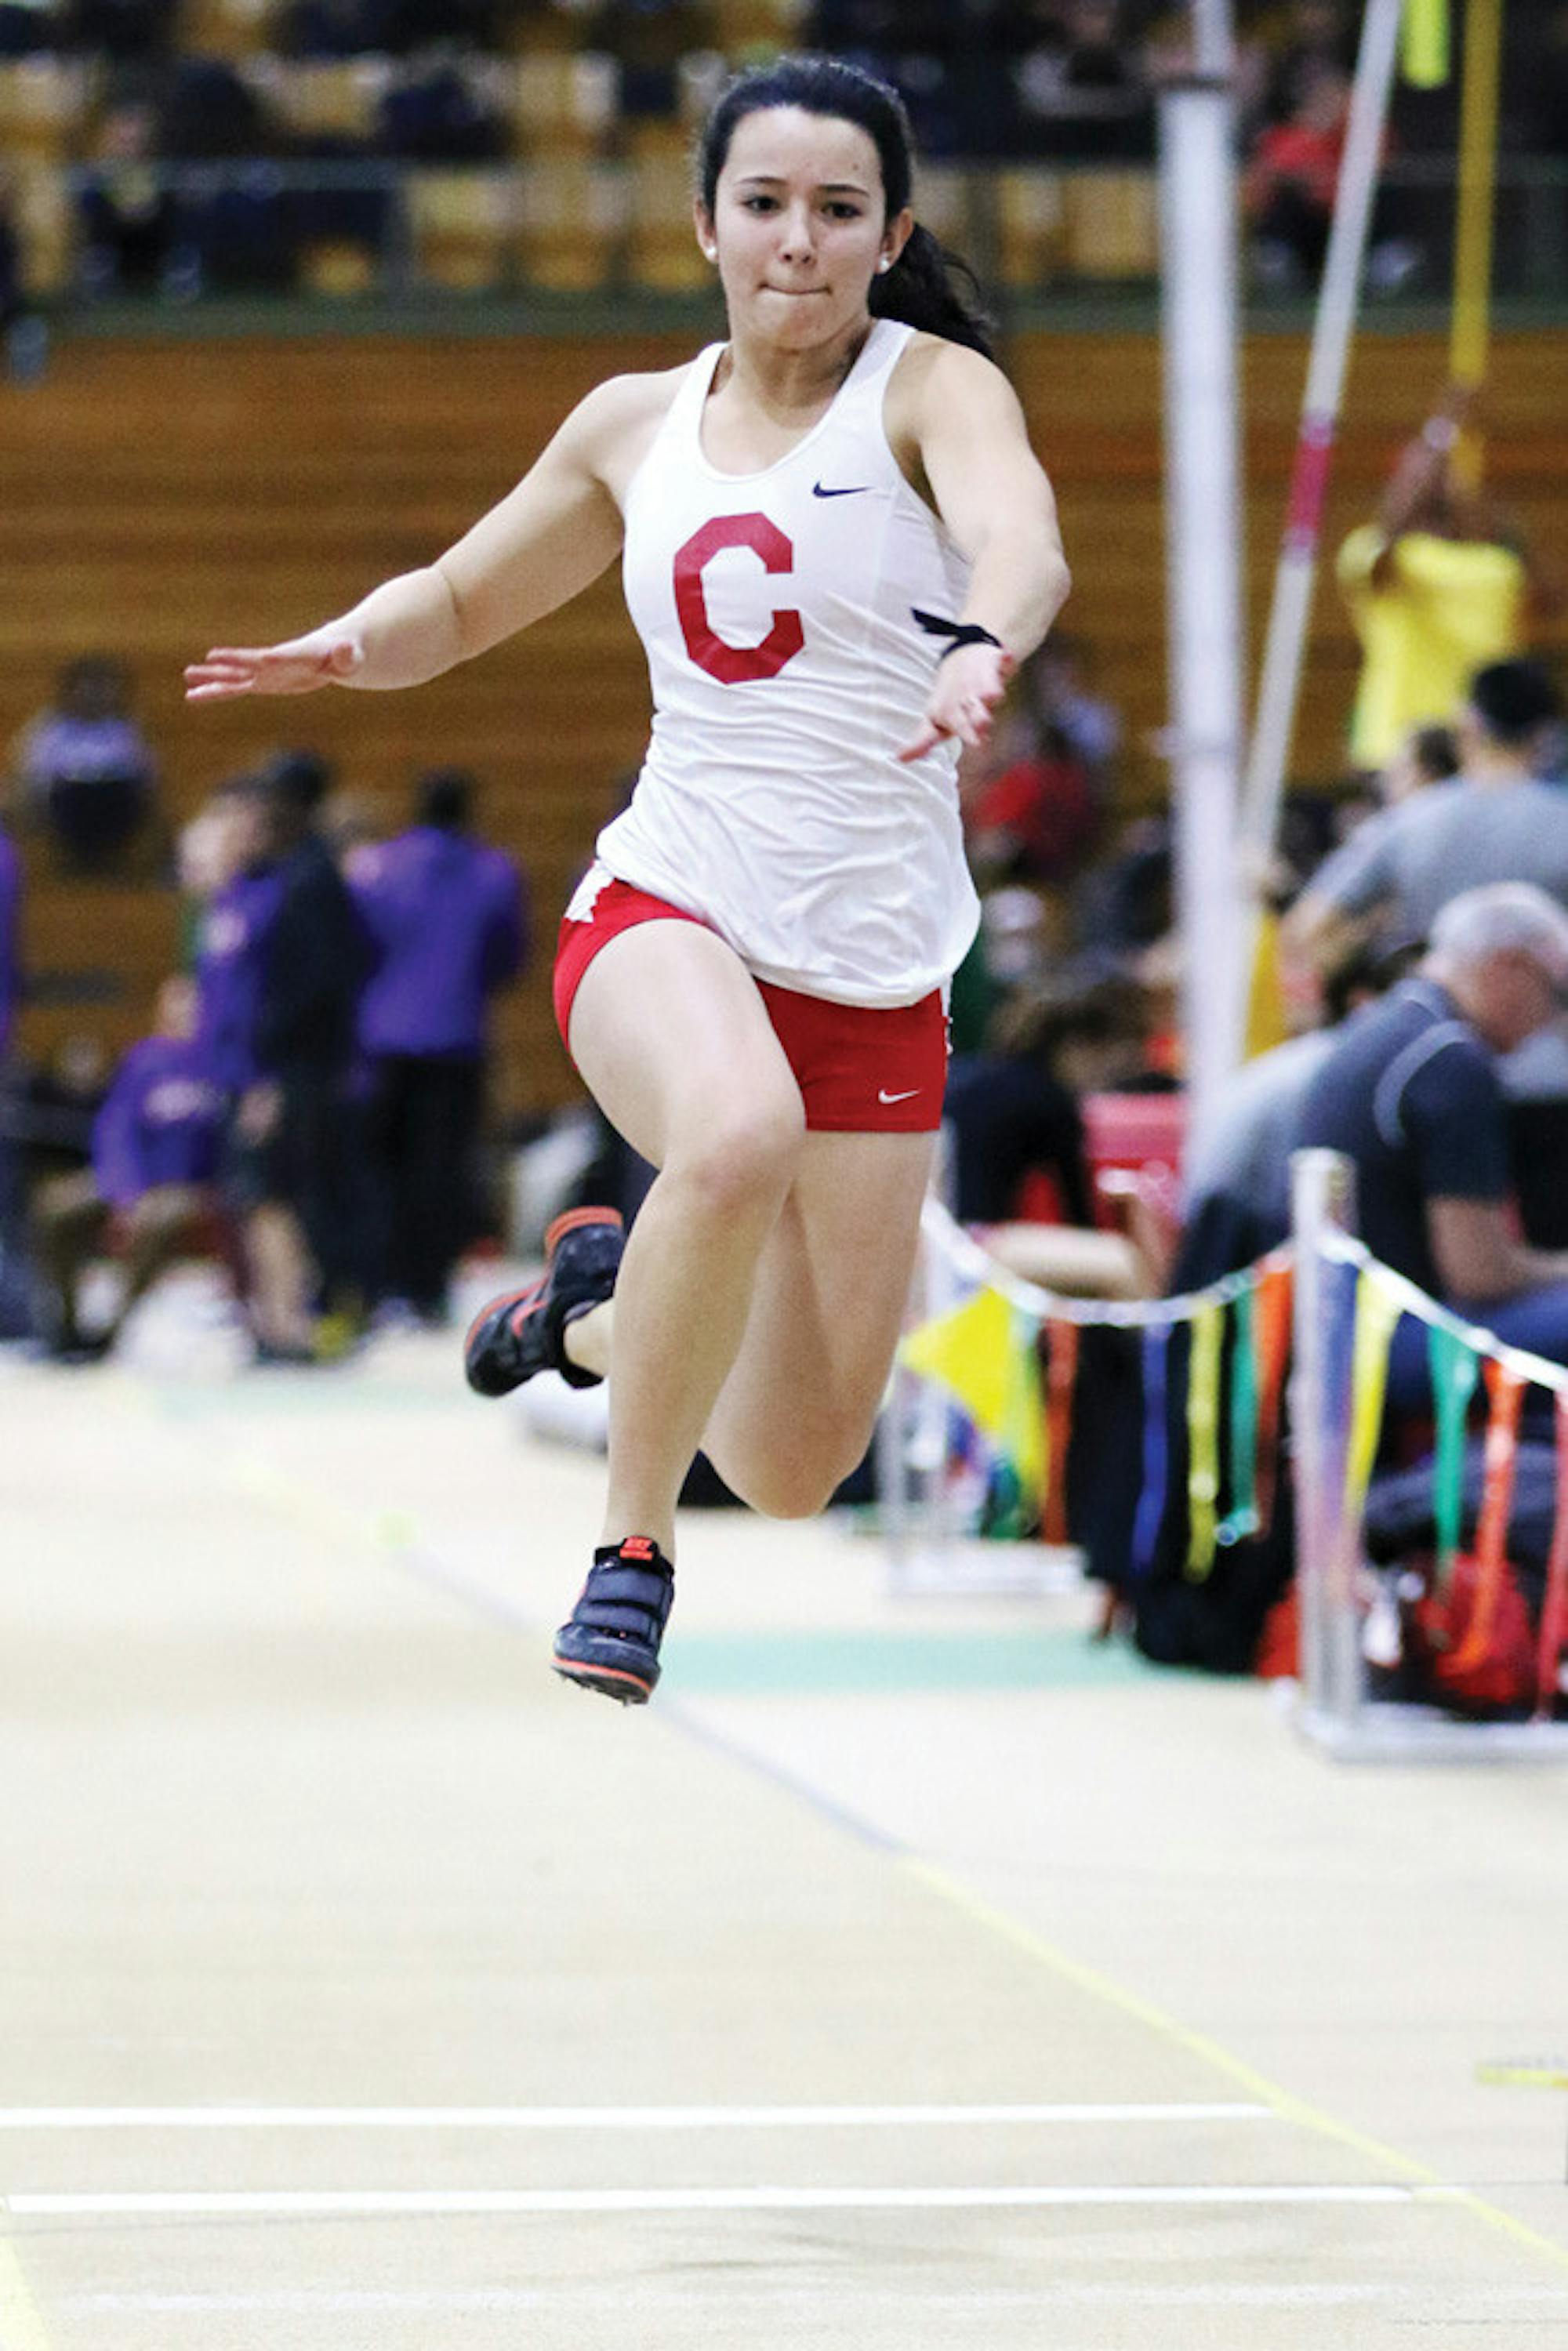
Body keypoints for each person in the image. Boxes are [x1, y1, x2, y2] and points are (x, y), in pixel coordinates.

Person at [186, 53, 1070, 1703]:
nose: (796, 241)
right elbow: (459, 600)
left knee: (803, 1457)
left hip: (874, 973)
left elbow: (1024, 536)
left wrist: (982, 635)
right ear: (702, 225)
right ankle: (629, 1550)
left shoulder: (930, 389)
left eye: (835, 211)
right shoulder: (630, 422)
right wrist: (352, 646)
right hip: (665, 912)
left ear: (889, 238)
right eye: (764, 205)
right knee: (730, 1134)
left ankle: (591, 1315)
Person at [1294, 883, 1568, 1409]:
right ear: (1508, 967)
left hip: (1333, 1328)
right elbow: (1479, 1272)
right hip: (1390, 1341)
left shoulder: (1388, 1028)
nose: (1549, 1023)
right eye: (1555, 994)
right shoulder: (1451, 1062)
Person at [350, 766, 527, 1322]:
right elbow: (507, 956)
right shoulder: (494, 873)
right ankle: (430, 1288)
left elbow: (359, 949)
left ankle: (385, 1282)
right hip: (455, 1038)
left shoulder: (379, 870)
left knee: (383, 1166)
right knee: (443, 1169)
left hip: (383, 1037)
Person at [1281, 658, 1568, 991]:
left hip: (1437, 1018)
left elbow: (1308, 926)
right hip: (1546, 1027)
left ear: (1468, 723)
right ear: (1546, 736)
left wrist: (1367, 986)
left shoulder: (1411, 820)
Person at [1334, 383, 1554, 777]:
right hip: (1400, 752)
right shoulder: (1378, 554)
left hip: (1484, 753)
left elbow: (1550, 600)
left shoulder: (1495, 565)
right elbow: (1382, 557)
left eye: (1441, 473)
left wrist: (1503, 524)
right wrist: (1440, 435)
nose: (1434, 481)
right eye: (1419, 474)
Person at [30, 976, 231, 1361]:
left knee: (161, 1217)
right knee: (56, 1207)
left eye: (192, 1005)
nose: (184, 1013)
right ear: (160, 1011)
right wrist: (126, 1193)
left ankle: (115, 1326)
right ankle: (68, 1326)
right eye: (175, 1004)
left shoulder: (220, 1064)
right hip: (136, 1183)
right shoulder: (144, 1061)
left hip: (192, 1187)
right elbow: (115, 1130)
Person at [8, 654, 158, 873]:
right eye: (87, 687)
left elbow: (147, 777)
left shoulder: (127, 730)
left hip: (118, 804)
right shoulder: (48, 729)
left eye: (103, 688)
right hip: (64, 805)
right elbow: (29, 776)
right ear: (70, 690)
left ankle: (112, 859)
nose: (94, 696)